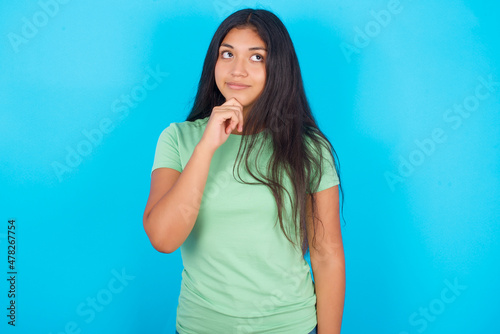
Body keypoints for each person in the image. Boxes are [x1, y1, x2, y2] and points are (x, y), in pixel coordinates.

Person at [143, 8, 345, 334]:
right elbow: (164, 239)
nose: (237, 70)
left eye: (256, 57)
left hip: (291, 326)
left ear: (278, 68)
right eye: (227, 54)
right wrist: (207, 146)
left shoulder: (308, 148)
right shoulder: (178, 139)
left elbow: (326, 254)